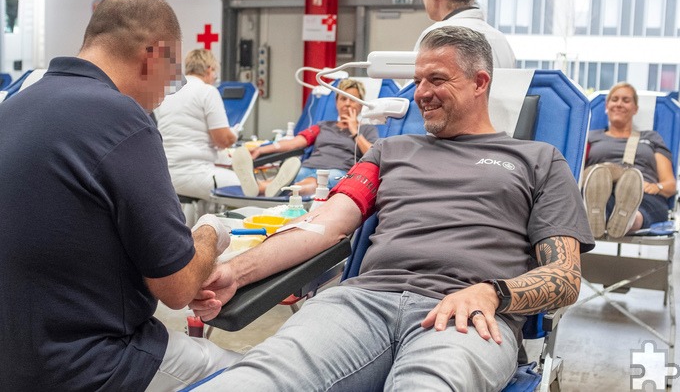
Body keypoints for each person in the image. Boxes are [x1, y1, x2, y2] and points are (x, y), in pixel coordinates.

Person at [188, 26, 595, 391]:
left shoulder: (540, 160)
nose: (420, 92)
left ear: (479, 82)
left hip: (466, 317)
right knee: (255, 379)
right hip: (360, 303)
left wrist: (492, 293)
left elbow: (564, 276)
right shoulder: (389, 150)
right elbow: (325, 226)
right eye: (418, 80)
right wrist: (234, 274)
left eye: (437, 79)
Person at [0, 0, 241, 391]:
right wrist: (211, 233)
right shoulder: (121, 118)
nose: (166, 93)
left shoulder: (14, 107)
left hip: (14, 360)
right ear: (153, 56)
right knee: (265, 374)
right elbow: (178, 287)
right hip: (90, 364)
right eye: (171, 75)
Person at [231, 78, 379, 197]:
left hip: (338, 172)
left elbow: (372, 155)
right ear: (336, 103)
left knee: (317, 181)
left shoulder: (366, 129)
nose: (347, 103)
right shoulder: (323, 125)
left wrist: (354, 130)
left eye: (352, 99)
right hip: (308, 167)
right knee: (298, 174)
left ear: (361, 104)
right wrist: (261, 150)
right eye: (343, 99)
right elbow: (294, 143)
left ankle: (283, 189)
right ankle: (260, 187)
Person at [582, 82, 676, 238]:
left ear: (635, 109)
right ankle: (601, 214)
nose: (619, 104)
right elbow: (575, 172)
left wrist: (656, 187)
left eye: (626, 100)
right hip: (598, 189)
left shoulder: (651, 138)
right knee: (598, 196)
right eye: (614, 99)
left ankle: (628, 219)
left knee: (640, 206)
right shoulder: (590, 137)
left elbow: (670, 184)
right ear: (607, 106)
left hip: (642, 194)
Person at [155, 48, 240, 201]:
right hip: (194, 173)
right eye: (215, 74)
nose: (214, 78)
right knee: (251, 188)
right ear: (209, 69)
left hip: (165, 175)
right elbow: (223, 140)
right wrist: (234, 134)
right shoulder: (207, 91)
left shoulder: (168, 92)